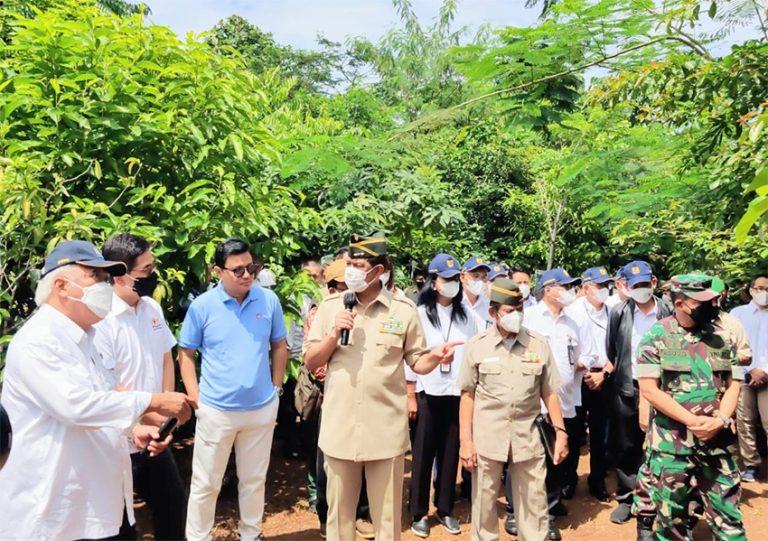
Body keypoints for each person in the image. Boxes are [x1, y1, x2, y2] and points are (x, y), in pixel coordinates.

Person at [0, 240, 191, 540]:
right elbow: (77, 406)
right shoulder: (39, 340)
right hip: (55, 515)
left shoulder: (84, 338)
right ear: (61, 286)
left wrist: (133, 430)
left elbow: (105, 396)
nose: (105, 286)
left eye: (106, 278)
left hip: (95, 508)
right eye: (95, 277)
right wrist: (154, 401)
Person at [303, 233, 462, 541]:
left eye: (357, 265)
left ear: (377, 271)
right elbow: (311, 360)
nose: (350, 270)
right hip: (340, 428)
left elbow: (417, 362)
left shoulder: (402, 311)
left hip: (385, 430)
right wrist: (334, 334)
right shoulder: (331, 307)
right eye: (348, 264)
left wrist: (436, 356)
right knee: (339, 518)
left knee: (387, 518)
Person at [178, 238, 289, 541]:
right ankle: (198, 537)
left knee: (253, 480)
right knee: (206, 483)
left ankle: (251, 535)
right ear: (217, 272)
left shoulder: (268, 301)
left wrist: (276, 389)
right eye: (237, 270)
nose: (247, 275)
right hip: (216, 410)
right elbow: (185, 352)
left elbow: (280, 345)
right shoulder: (203, 306)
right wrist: (195, 397)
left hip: (260, 408)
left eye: (251, 267)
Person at [637, 273, 745, 541]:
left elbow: (734, 384)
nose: (711, 305)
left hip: (718, 443)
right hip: (672, 448)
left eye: (712, 299)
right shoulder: (656, 336)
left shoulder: (721, 337)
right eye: (701, 302)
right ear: (679, 302)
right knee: (672, 523)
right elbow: (650, 389)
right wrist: (693, 422)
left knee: (729, 521)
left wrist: (720, 419)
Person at [459, 278, 568, 541]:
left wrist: (561, 432)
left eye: (519, 310)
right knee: (484, 502)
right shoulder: (477, 345)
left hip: (527, 437)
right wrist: (466, 441)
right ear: (493, 313)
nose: (515, 316)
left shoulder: (537, 344)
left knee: (534, 503)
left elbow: (550, 392)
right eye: (509, 311)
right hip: (488, 437)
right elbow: (467, 395)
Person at [94, 234, 186, 540]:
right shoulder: (101, 320)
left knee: (173, 510)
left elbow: (165, 360)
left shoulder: (151, 308)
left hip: (155, 436)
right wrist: (149, 415)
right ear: (120, 276)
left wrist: (166, 414)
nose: (154, 274)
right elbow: (106, 384)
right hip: (119, 440)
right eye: (146, 270)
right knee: (119, 526)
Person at [409, 254, 480, 538]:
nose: (450, 284)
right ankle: (417, 512)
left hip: (457, 392)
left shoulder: (467, 316)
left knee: (451, 454)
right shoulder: (420, 313)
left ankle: (446, 508)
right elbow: (410, 356)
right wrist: (410, 393)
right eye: (445, 279)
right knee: (423, 454)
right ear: (433, 282)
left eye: (454, 279)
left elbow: (473, 353)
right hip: (428, 391)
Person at [604, 260, 672, 531]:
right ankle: (627, 496)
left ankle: (660, 499)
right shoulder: (619, 312)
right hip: (628, 387)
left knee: (663, 444)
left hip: (664, 391)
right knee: (626, 444)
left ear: (653, 283)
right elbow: (612, 350)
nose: (641, 290)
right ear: (627, 288)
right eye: (636, 286)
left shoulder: (667, 310)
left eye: (645, 284)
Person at [309, 258, 374, 540]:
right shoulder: (323, 311)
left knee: (363, 454)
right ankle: (326, 513)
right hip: (328, 393)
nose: (344, 292)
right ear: (332, 286)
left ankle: (361, 512)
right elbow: (311, 356)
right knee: (328, 461)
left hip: (360, 393)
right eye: (339, 286)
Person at [524, 267, 593, 517]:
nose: (570, 291)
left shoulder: (574, 322)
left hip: (566, 399)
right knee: (533, 457)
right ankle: (530, 509)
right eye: (565, 286)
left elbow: (588, 352)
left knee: (557, 454)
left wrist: (578, 364)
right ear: (549, 289)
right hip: (534, 400)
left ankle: (550, 508)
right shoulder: (528, 317)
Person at [566, 266, 613, 501]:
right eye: (600, 285)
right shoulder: (572, 312)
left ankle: (597, 480)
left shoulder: (613, 312)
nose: (605, 290)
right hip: (577, 378)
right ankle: (569, 479)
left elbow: (618, 350)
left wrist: (603, 373)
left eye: (607, 285)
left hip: (604, 378)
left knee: (600, 432)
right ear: (586, 288)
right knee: (574, 431)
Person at [730, 273, 768, 482]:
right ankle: (751, 465)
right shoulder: (738, 314)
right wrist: (751, 369)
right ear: (752, 290)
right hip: (743, 375)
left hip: (766, 378)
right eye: (760, 288)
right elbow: (731, 344)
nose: (764, 293)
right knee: (744, 422)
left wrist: (764, 371)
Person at [460, 256, 492, 328]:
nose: (480, 281)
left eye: (483, 277)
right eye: (476, 276)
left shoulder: (489, 305)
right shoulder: (454, 303)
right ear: (462, 277)